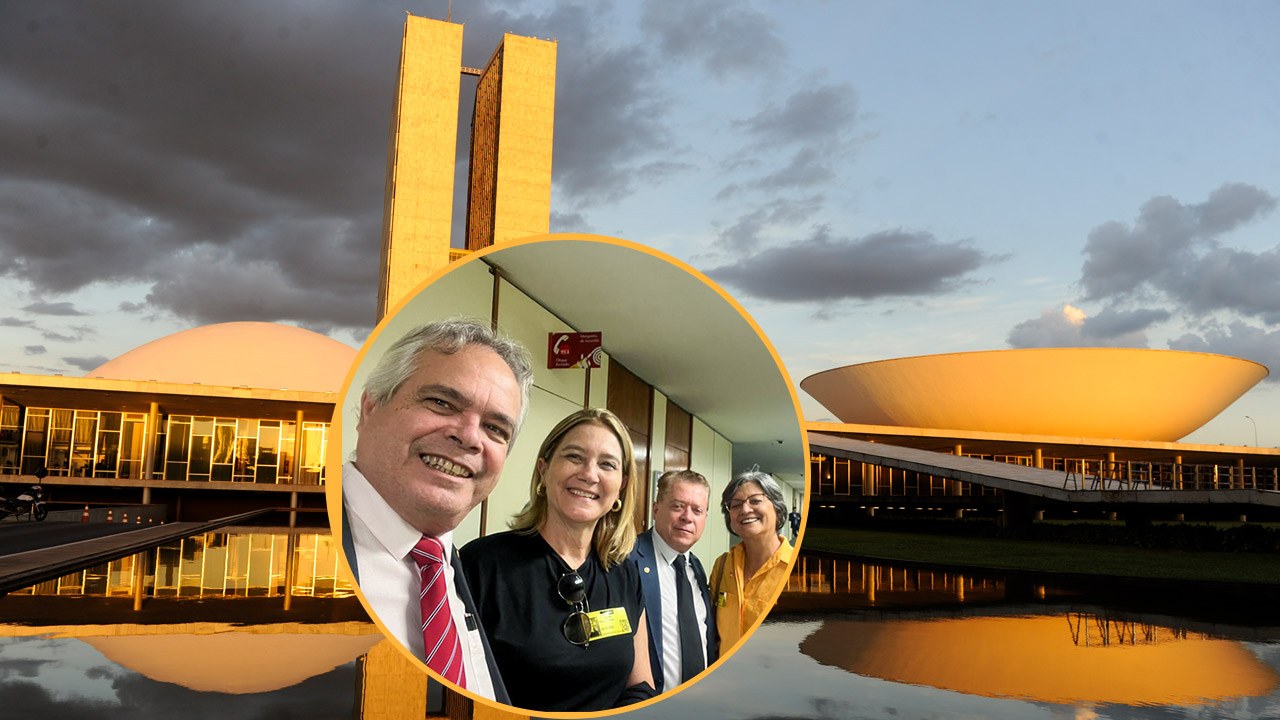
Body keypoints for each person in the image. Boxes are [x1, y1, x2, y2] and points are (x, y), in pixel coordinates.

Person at [340, 319, 533, 703]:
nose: (469, 436)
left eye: (496, 428)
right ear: (370, 407)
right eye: (442, 403)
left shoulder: (449, 567)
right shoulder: (281, 553)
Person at [461, 408, 656, 712]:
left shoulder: (626, 574)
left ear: (621, 485)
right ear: (543, 469)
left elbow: (641, 685)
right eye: (574, 457)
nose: (589, 474)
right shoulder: (480, 565)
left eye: (607, 464)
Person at [629, 469, 717, 694]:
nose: (688, 517)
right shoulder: (627, 561)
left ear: (705, 518)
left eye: (697, 510)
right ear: (656, 509)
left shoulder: (696, 568)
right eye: (678, 506)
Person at [707, 469, 795, 652]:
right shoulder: (723, 565)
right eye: (736, 504)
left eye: (755, 501)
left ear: (777, 510)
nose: (745, 509)